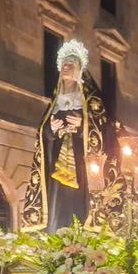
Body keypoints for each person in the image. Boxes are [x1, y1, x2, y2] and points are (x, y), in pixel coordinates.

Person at [21, 39, 119, 233]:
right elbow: (42, 136)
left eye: (70, 64)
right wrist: (51, 130)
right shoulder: (55, 102)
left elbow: (105, 131)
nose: (65, 68)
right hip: (56, 167)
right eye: (63, 64)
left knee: (80, 204)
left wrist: (84, 126)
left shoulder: (92, 103)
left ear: (79, 70)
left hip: (83, 167)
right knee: (57, 203)